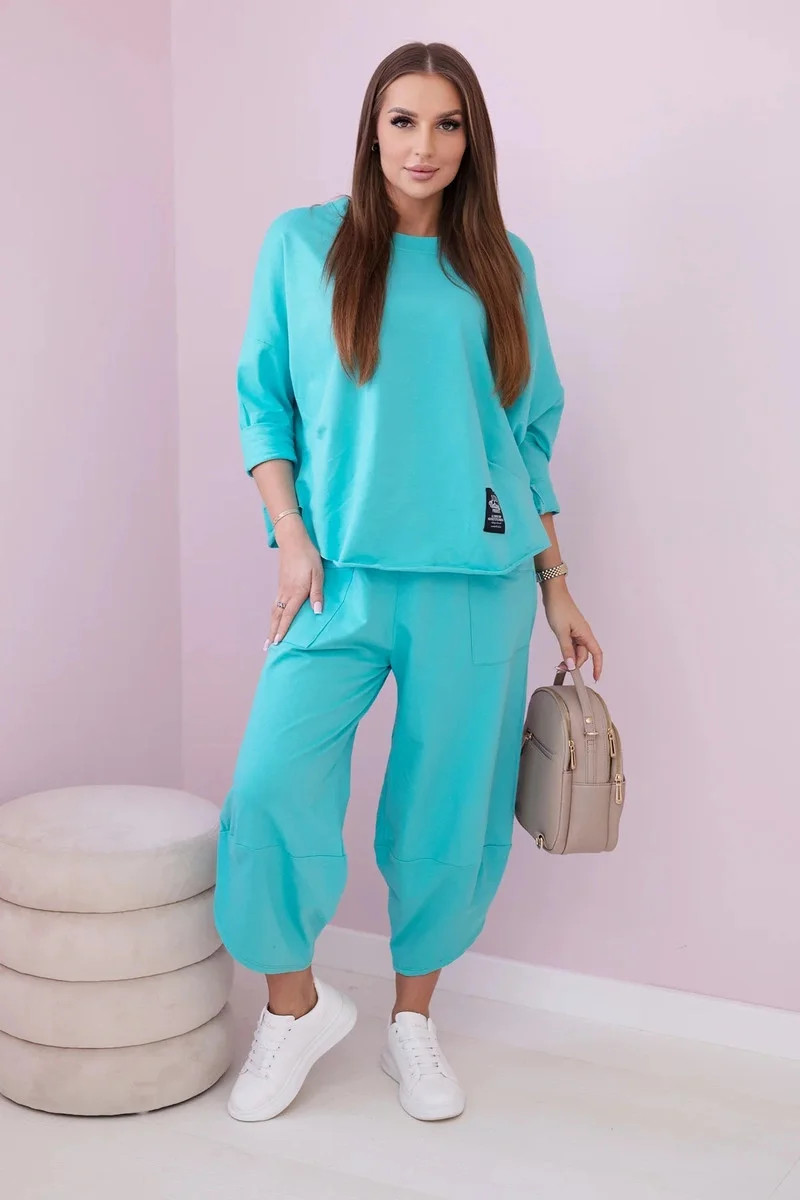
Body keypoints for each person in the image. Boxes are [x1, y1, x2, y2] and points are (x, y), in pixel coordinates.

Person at [214, 39, 603, 1125]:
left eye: (445, 123)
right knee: (268, 787)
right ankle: (293, 1010)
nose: (422, 145)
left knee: (446, 812)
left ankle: (411, 1023)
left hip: (477, 582)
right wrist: (289, 536)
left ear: (470, 138)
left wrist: (557, 582)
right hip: (333, 578)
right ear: (371, 129)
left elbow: (525, 432)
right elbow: (262, 404)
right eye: (402, 121)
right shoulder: (303, 244)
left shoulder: (501, 263)